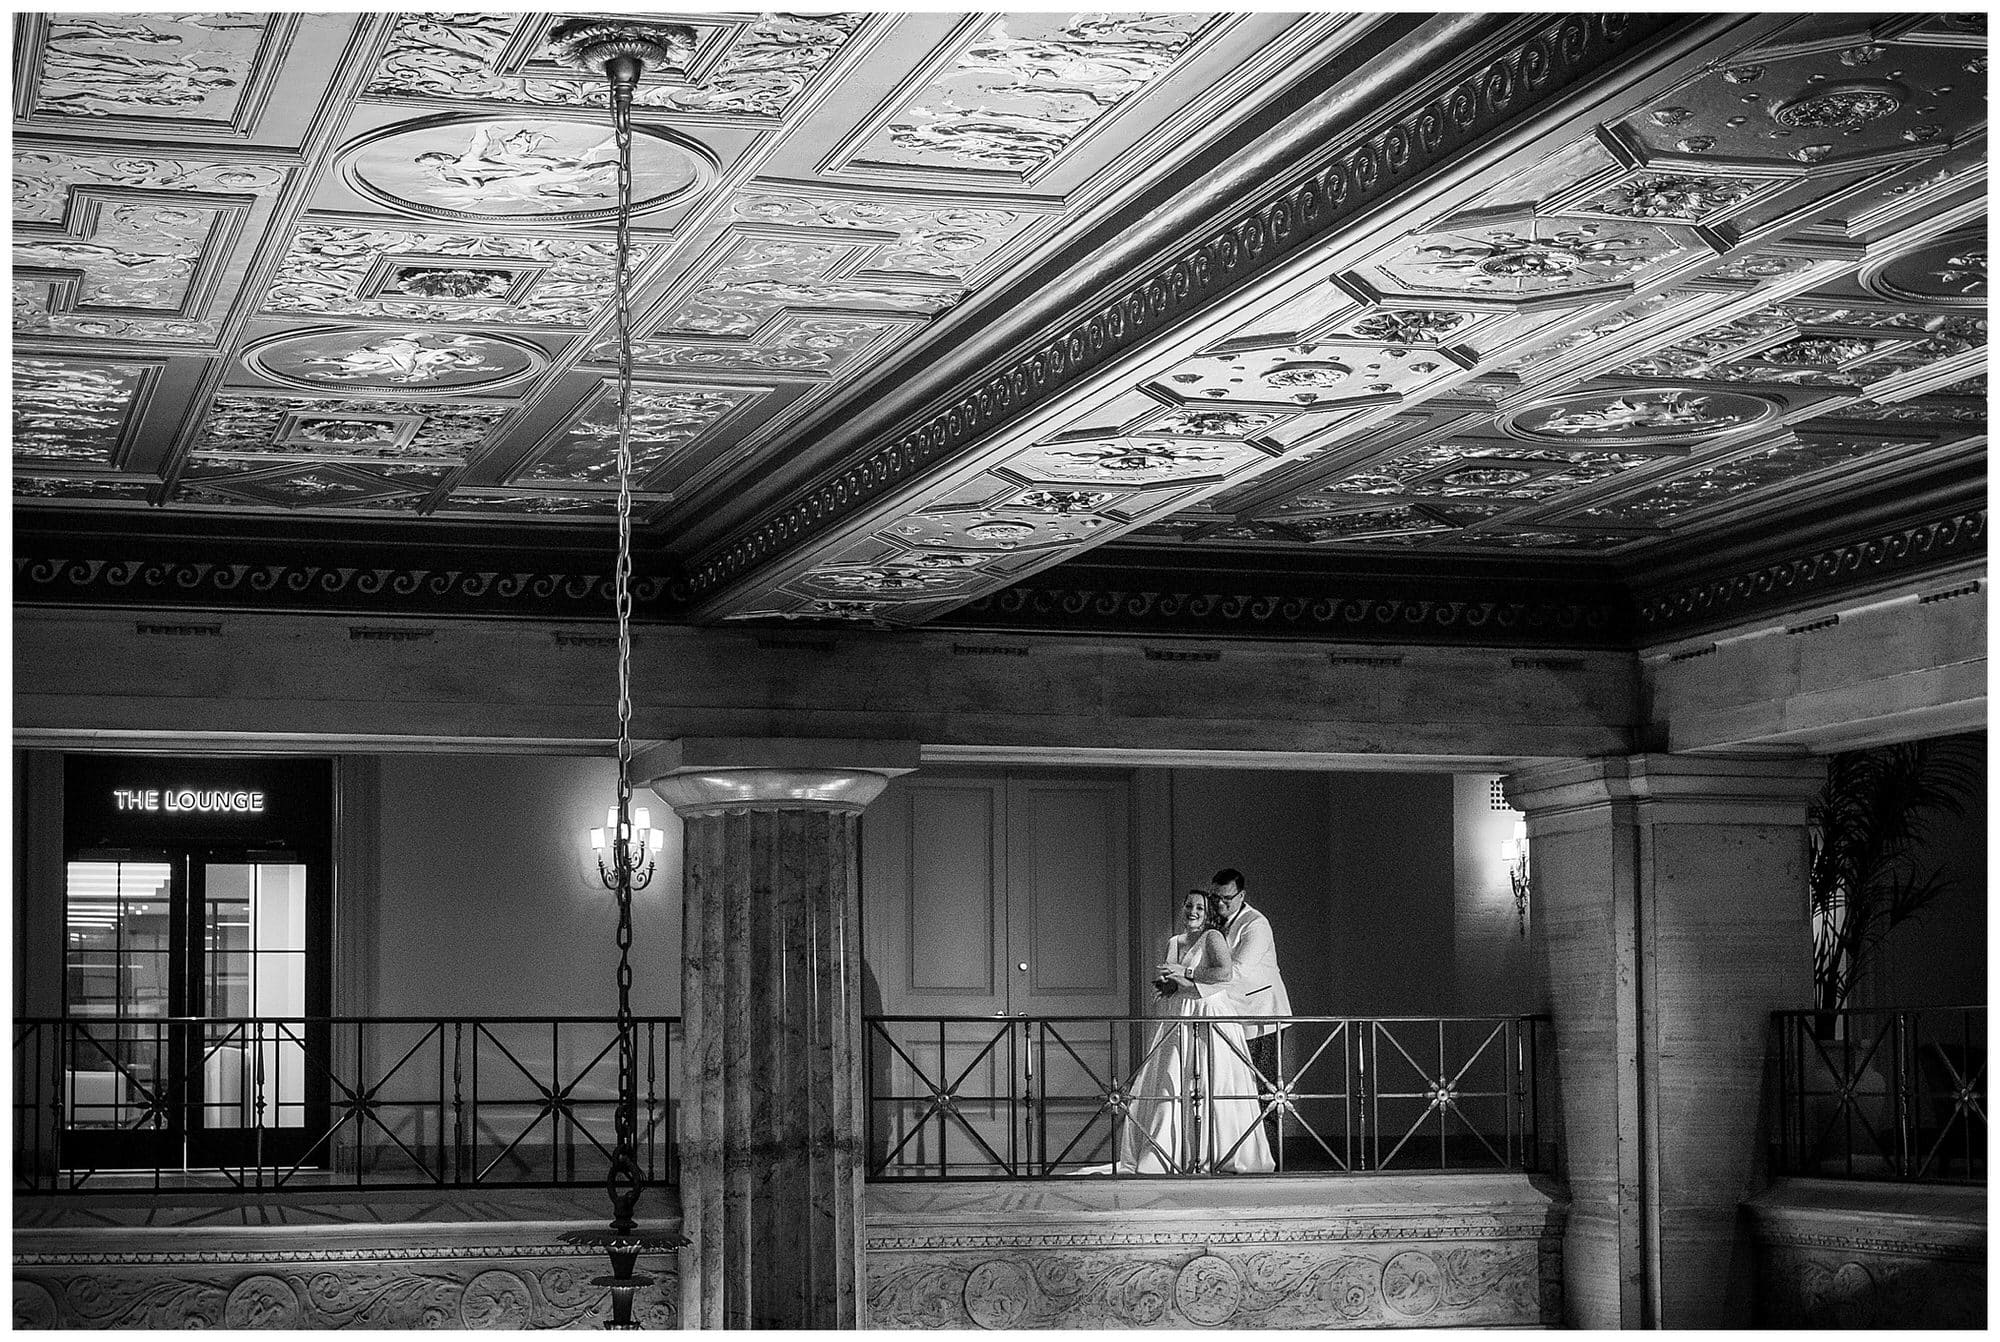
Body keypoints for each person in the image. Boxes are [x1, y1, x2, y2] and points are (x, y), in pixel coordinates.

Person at [1116, 889, 1273, 1174]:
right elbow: (1174, 977)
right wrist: (1167, 985)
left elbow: (1223, 973)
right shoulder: (1174, 942)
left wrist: (1185, 973)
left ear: (1208, 912)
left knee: (1213, 1079)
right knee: (1172, 1077)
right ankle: (1171, 1151)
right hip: (1181, 1012)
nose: (1193, 911)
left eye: (1199, 907)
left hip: (1208, 1011)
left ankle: (1216, 1151)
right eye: (1189, 905)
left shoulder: (1212, 937)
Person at [1209, 868, 1292, 1149]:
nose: (1220, 904)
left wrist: (1193, 981)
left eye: (1226, 899)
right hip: (1234, 1017)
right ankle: (1240, 1152)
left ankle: (1269, 1156)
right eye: (1215, 898)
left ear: (1241, 895)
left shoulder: (1255, 924)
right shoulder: (1217, 922)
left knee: (1265, 1089)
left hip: (1262, 1015)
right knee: (1236, 1090)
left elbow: (1238, 971)